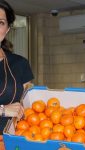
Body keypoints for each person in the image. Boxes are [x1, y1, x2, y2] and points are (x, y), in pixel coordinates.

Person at [0, 0, 34, 149]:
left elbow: (30, 105)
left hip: (15, 142)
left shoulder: (20, 64)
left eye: (0, 23)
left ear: (7, 29)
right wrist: (3, 109)